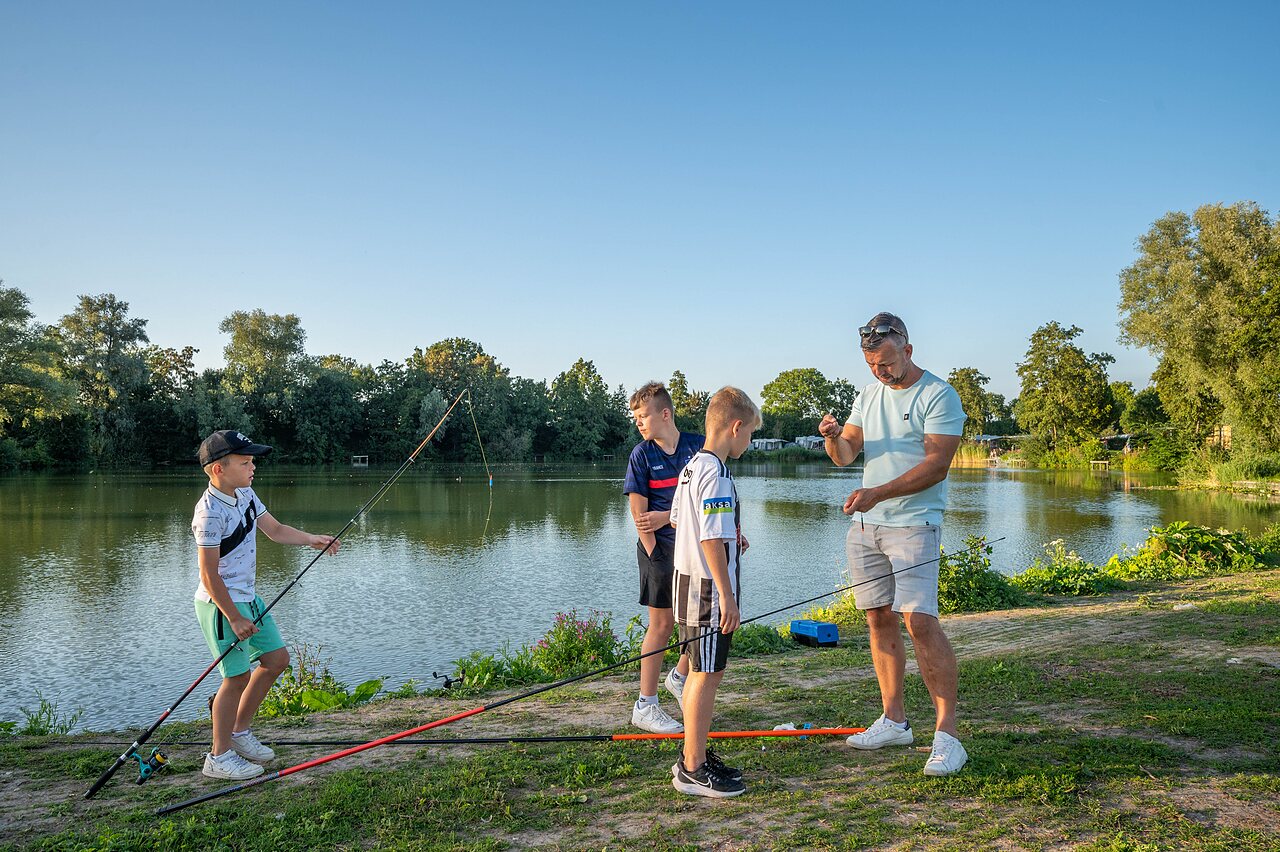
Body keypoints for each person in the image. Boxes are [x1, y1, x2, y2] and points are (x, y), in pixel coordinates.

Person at [818, 312, 969, 777]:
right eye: (871, 364)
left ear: (906, 347)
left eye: (885, 362)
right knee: (878, 619)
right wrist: (832, 438)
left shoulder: (939, 394)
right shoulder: (868, 395)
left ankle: (948, 736)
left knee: (919, 621)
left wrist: (879, 492)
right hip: (866, 527)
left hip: (914, 524)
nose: (880, 371)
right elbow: (846, 457)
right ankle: (894, 721)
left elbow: (936, 466)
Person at [192, 429, 340, 780]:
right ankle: (219, 756)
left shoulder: (245, 493)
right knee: (236, 676)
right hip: (220, 604)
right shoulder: (209, 513)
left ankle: (239, 733)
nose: (252, 467)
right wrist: (233, 616)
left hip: (249, 598)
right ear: (218, 469)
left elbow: (274, 529)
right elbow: (209, 575)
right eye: (245, 462)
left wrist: (311, 540)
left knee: (276, 660)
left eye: (252, 460)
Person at [669, 386, 760, 798]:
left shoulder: (691, 468)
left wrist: (730, 539)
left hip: (684, 585)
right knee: (707, 675)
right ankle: (693, 768)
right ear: (736, 427)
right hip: (707, 591)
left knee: (697, 670)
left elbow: (678, 522)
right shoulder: (718, 473)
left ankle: (695, 754)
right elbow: (708, 537)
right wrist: (728, 596)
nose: (750, 442)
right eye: (751, 434)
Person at [622, 382, 703, 733]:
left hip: (696, 547)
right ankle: (646, 705)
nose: (638, 423)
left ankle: (680, 676)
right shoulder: (641, 455)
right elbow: (641, 518)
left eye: (643, 416)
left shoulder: (698, 447)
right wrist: (657, 554)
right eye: (635, 417)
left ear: (665, 414)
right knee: (663, 625)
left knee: (699, 622)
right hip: (658, 551)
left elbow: (708, 499)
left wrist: (667, 515)